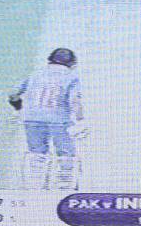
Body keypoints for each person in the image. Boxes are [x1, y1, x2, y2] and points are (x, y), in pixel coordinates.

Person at [9, 47, 84, 190]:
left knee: (36, 154)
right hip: (59, 120)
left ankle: (34, 186)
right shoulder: (71, 77)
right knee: (66, 154)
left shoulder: (35, 75)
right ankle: (64, 188)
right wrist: (80, 120)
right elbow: (74, 100)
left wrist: (18, 108)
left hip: (32, 119)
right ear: (72, 63)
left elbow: (13, 93)